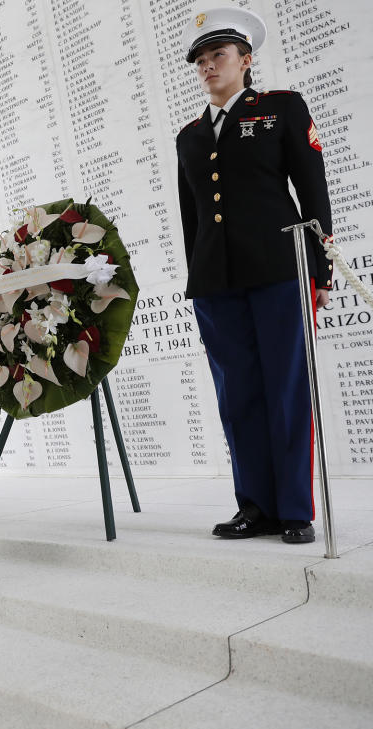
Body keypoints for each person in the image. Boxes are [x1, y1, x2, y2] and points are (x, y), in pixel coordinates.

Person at [176, 7, 333, 544]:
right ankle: (255, 506)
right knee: (236, 394)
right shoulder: (190, 136)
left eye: (217, 55)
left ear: (245, 59)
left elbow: (312, 189)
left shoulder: (282, 109)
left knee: (286, 389)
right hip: (216, 283)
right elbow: (191, 218)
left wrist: (321, 268)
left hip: (279, 271)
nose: (207, 65)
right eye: (200, 59)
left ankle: (293, 509)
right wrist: (196, 275)